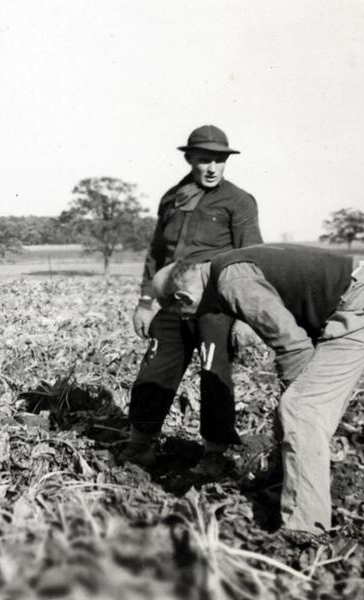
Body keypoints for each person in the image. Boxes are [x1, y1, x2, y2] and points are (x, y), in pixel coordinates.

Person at [151, 244, 364, 536]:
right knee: (296, 407)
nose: (189, 319)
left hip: (361, 305)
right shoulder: (223, 270)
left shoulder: (232, 283)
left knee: (301, 409)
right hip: (358, 297)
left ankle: (306, 530)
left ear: (183, 297)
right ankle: (286, 483)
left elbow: (293, 346)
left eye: (183, 313)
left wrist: (294, 410)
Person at [124, 124, 263, 475]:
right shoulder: (172, 198)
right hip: (172, 303)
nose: (213, 167)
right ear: (189, 159)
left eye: (219, 160)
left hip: (215, 304)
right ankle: (140, 446)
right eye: (205, 160)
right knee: (154, 371)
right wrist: (145, 302)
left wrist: (245, 318)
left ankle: (214, 454)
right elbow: (157, 254)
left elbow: (251, 259)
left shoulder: (239, 201)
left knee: (214, 375)